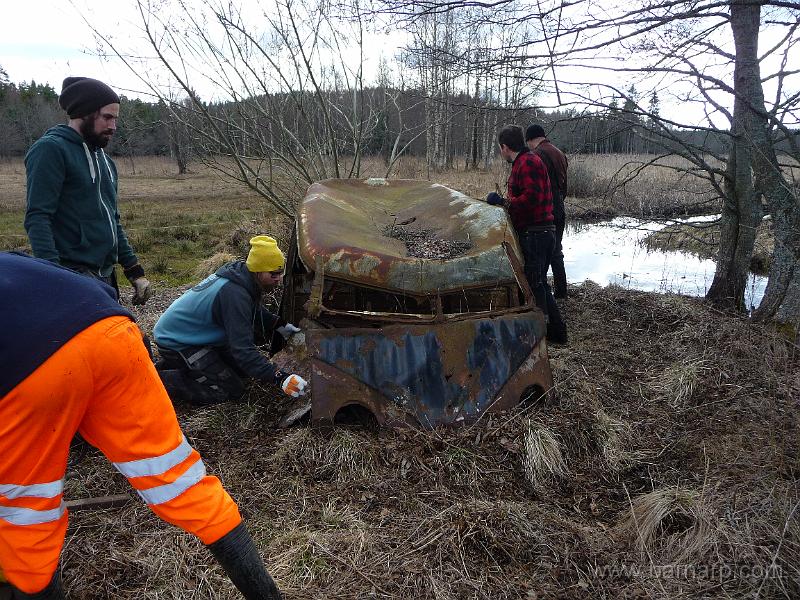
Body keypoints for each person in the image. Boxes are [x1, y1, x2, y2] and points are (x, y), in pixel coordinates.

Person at [0, 252, 282, 600]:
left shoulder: (239, 288)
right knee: (182, 481)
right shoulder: (14, 262)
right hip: (112, 331)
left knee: (24, 510)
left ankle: (27, 581)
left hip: (32, 363)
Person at [24, 76, 152, 305]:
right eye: (107, 117)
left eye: (115, 118)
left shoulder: (104, 160)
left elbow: (112, 219)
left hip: (105, 275)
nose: (113, 126)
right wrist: (56, 277)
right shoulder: (50, 150)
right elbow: (38, 218)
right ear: (84, 113)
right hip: (73, 275)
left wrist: (134, 270)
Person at [153, 235, 307, 406]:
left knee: (243, 372)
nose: (278, 278)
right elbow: (242, 351)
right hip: (178, 342)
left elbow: (251, 310)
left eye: (280, 272)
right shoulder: (235, 295)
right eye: (273, 273)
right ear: (258, 270)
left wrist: (277, 324)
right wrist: (280, 378)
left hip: (197, 335)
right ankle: (155, 380)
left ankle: (177, 368)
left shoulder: (242, 276)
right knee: (229, 389)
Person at [486, 125, 568, 344]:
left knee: (534, 285)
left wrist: (503, 202)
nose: (500, 152)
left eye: (500, 148)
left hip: (536, 233)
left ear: (505, 147)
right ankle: (556, 333)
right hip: (538, 232)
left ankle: (543, 335)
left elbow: (531, 199)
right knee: (538, 283)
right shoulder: (523, 162)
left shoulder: (528, 162)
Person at [526, 124, 569, 299]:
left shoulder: (536, 155)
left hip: (546, 210)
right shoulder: (560, 153)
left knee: (540, 255)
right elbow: (564, 185)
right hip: (559, 207)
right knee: (557, 250)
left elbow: (536, 190)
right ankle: (561, 291)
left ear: (531, 139)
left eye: (527, 141)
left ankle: (542, 293)